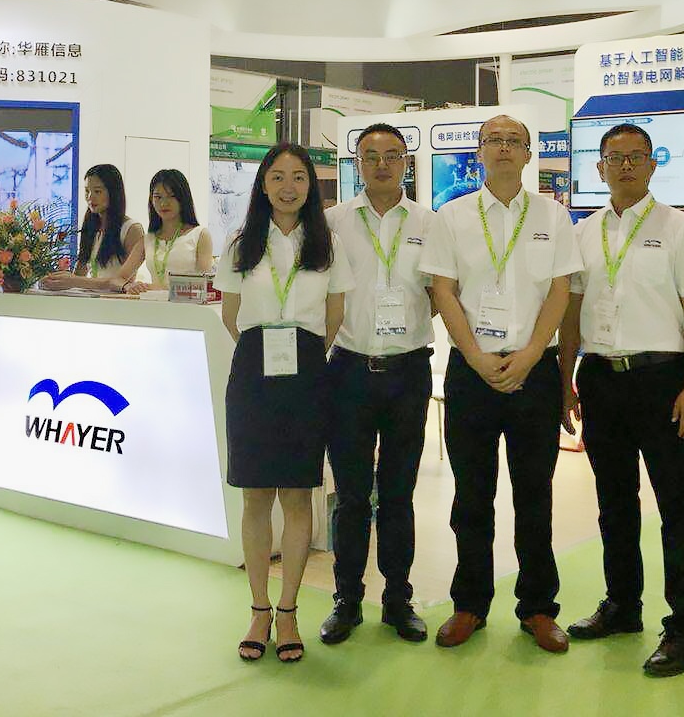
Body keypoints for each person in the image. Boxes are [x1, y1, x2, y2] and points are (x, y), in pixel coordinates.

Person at [559, 122, 684, 677]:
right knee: (614, 502)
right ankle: (623, 605)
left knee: (678, 504)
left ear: (654, 165)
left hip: (663, 380)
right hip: (601, 379)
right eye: (615, 157)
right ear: (599, 166)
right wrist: (565, 380)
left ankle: (683, 626)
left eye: (636, 156)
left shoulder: (682, 229)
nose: (625, 165)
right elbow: (571, 313)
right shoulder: (583, 232)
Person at [419, 115, 582, 654]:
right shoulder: (452, 216)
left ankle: (537, 607)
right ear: (480, 151)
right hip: (472, 372)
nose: (505, 148)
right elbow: (443, 290)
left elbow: (560, 290)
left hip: (535, 372)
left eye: (515, 141)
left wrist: (533, 353)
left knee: (535, 495)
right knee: (472, 496)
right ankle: (469, 603)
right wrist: (474, 356)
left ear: (529, 153)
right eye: (495, 140)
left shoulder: (553, 215)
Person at [214, 144, 353, 665]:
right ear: (263, 184)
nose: (288, 186)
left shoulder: (327, 242)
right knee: (255, 496)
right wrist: (265, 353)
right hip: (253, 373)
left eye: (298, 177)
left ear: (310, 186)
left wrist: (302, 355)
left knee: (297, 496)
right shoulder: (240, 243)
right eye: (277, 176)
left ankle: (289, 611)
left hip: (307, 372)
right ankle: (258, 609)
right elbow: (231, 315)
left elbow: (335, 313)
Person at [320, 123, 434, 646]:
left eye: (392, 155)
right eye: (371, 156)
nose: (382, 164)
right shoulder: (332, 222)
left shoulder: (429, 224)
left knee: (398, 492)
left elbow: (441, 295)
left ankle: (397, 598)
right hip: (348, 371)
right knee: (350, 496)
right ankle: (346, 599)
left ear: (406, 163)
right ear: (357, 163)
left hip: (408, 372)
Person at [40, 163, 144, 292]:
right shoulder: (91, 227)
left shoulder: (131, 229)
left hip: (116, 300)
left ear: (113, 193)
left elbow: (123, 281)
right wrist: (57, 280)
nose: (90, 197)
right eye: (87, 191)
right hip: (90, 300)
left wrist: (73, 280)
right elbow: (79, 274)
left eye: (97, 191)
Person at [124, 168, 214, 294]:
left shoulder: (200, 235)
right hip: (152, 303)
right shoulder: (148, 239)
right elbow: (120, 278)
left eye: (171, 196)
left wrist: (158, 288)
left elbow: (204, 284)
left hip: (186, 304)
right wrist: (129, 286)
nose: (164, 203)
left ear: (183, 198)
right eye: (158, 197)